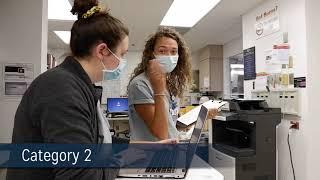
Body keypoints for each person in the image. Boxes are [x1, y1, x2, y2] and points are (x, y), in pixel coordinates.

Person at [6, 1, 175, 180]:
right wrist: (120, 160)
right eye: (123, 54)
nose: (123, 61)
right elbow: (82, 175)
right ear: (102, 50)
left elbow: (95, 142)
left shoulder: (78, 84)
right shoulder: (61, 88)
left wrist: (140, 149)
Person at [128, 28, 217, 142]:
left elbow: (172, 125)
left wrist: (201, 116)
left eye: (174, 51)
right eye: (162, 51)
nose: (169, 56)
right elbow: (161, 133)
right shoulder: (140, 84)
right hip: (149, 157)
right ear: (152, 53)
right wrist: (159, 90)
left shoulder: (170, 85)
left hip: (170, 154)